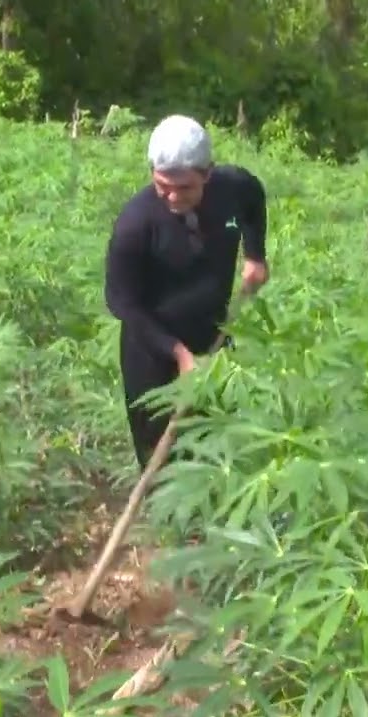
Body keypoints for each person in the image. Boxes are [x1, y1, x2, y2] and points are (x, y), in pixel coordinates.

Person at [103, 114, 270, 472]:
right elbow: (123, 302)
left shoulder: (232, 188)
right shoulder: (135, 224)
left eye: (186, 187)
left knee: (215, 442)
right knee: (160, 455)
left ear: (207, 173)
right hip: (151, 347)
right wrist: (178, 353)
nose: (173, 196)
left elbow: (254, 197)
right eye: (164, 185)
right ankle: (170, 525)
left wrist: (256, 255)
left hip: (213, 334)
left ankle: (210, 520)